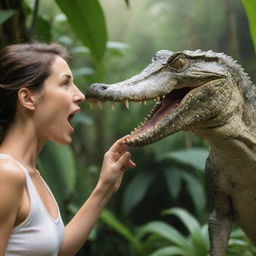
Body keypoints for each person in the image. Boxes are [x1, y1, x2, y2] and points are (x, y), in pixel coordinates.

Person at [0, 42, 136, 256]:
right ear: (28, 98)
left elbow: (57, 251)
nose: (80, 95)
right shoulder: (6, 174)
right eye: (65, 83)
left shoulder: (31, 175)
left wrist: (105, 188)